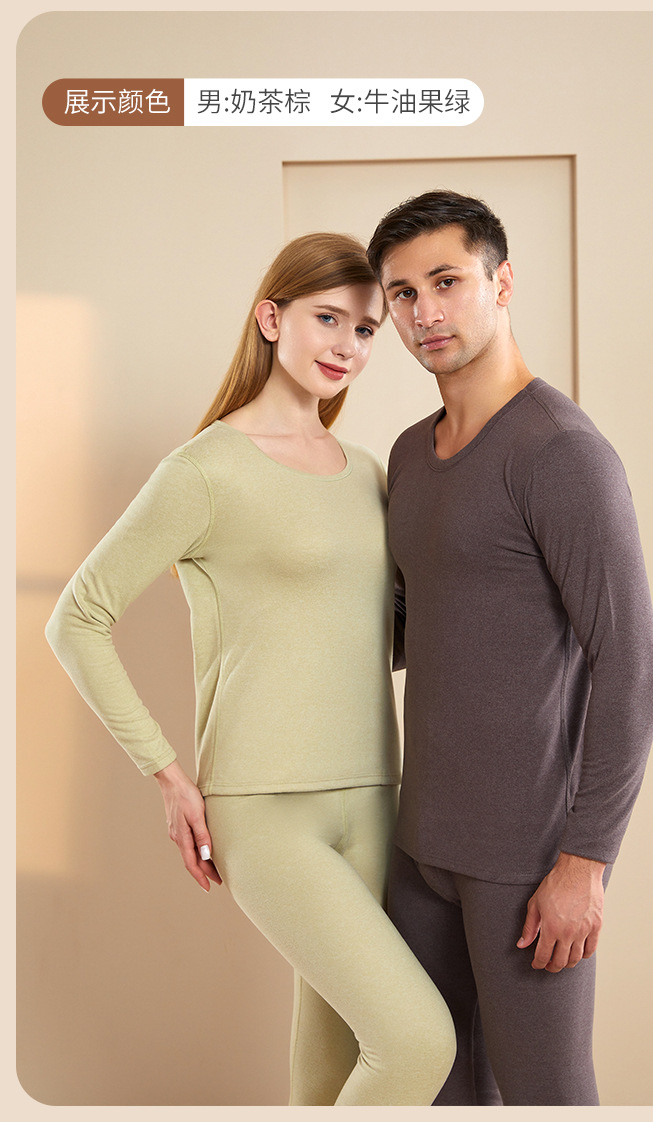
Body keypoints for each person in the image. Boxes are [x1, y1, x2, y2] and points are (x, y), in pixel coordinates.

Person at [45, 231, 456, 1107]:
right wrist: (168, 776)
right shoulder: (203, 471)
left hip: (375, 799)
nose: (348, 345)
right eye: (327, 319)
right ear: (271, 319)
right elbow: (75, 619)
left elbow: (373, 640)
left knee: (331, 1073)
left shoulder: (368, 473)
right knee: (418, 1043)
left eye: (366, 329)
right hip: (266, 811)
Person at [366, 191, 653, 1106]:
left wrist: (586, 863)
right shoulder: (409, 453)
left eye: (447, 282)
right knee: (437, 1091)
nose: (426, 312)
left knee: (548, 1095)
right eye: (403, 293)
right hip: (420, 846)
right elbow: (409, 632)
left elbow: (633, 670)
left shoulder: (561, 453)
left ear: (501, 284)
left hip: (529, 859)